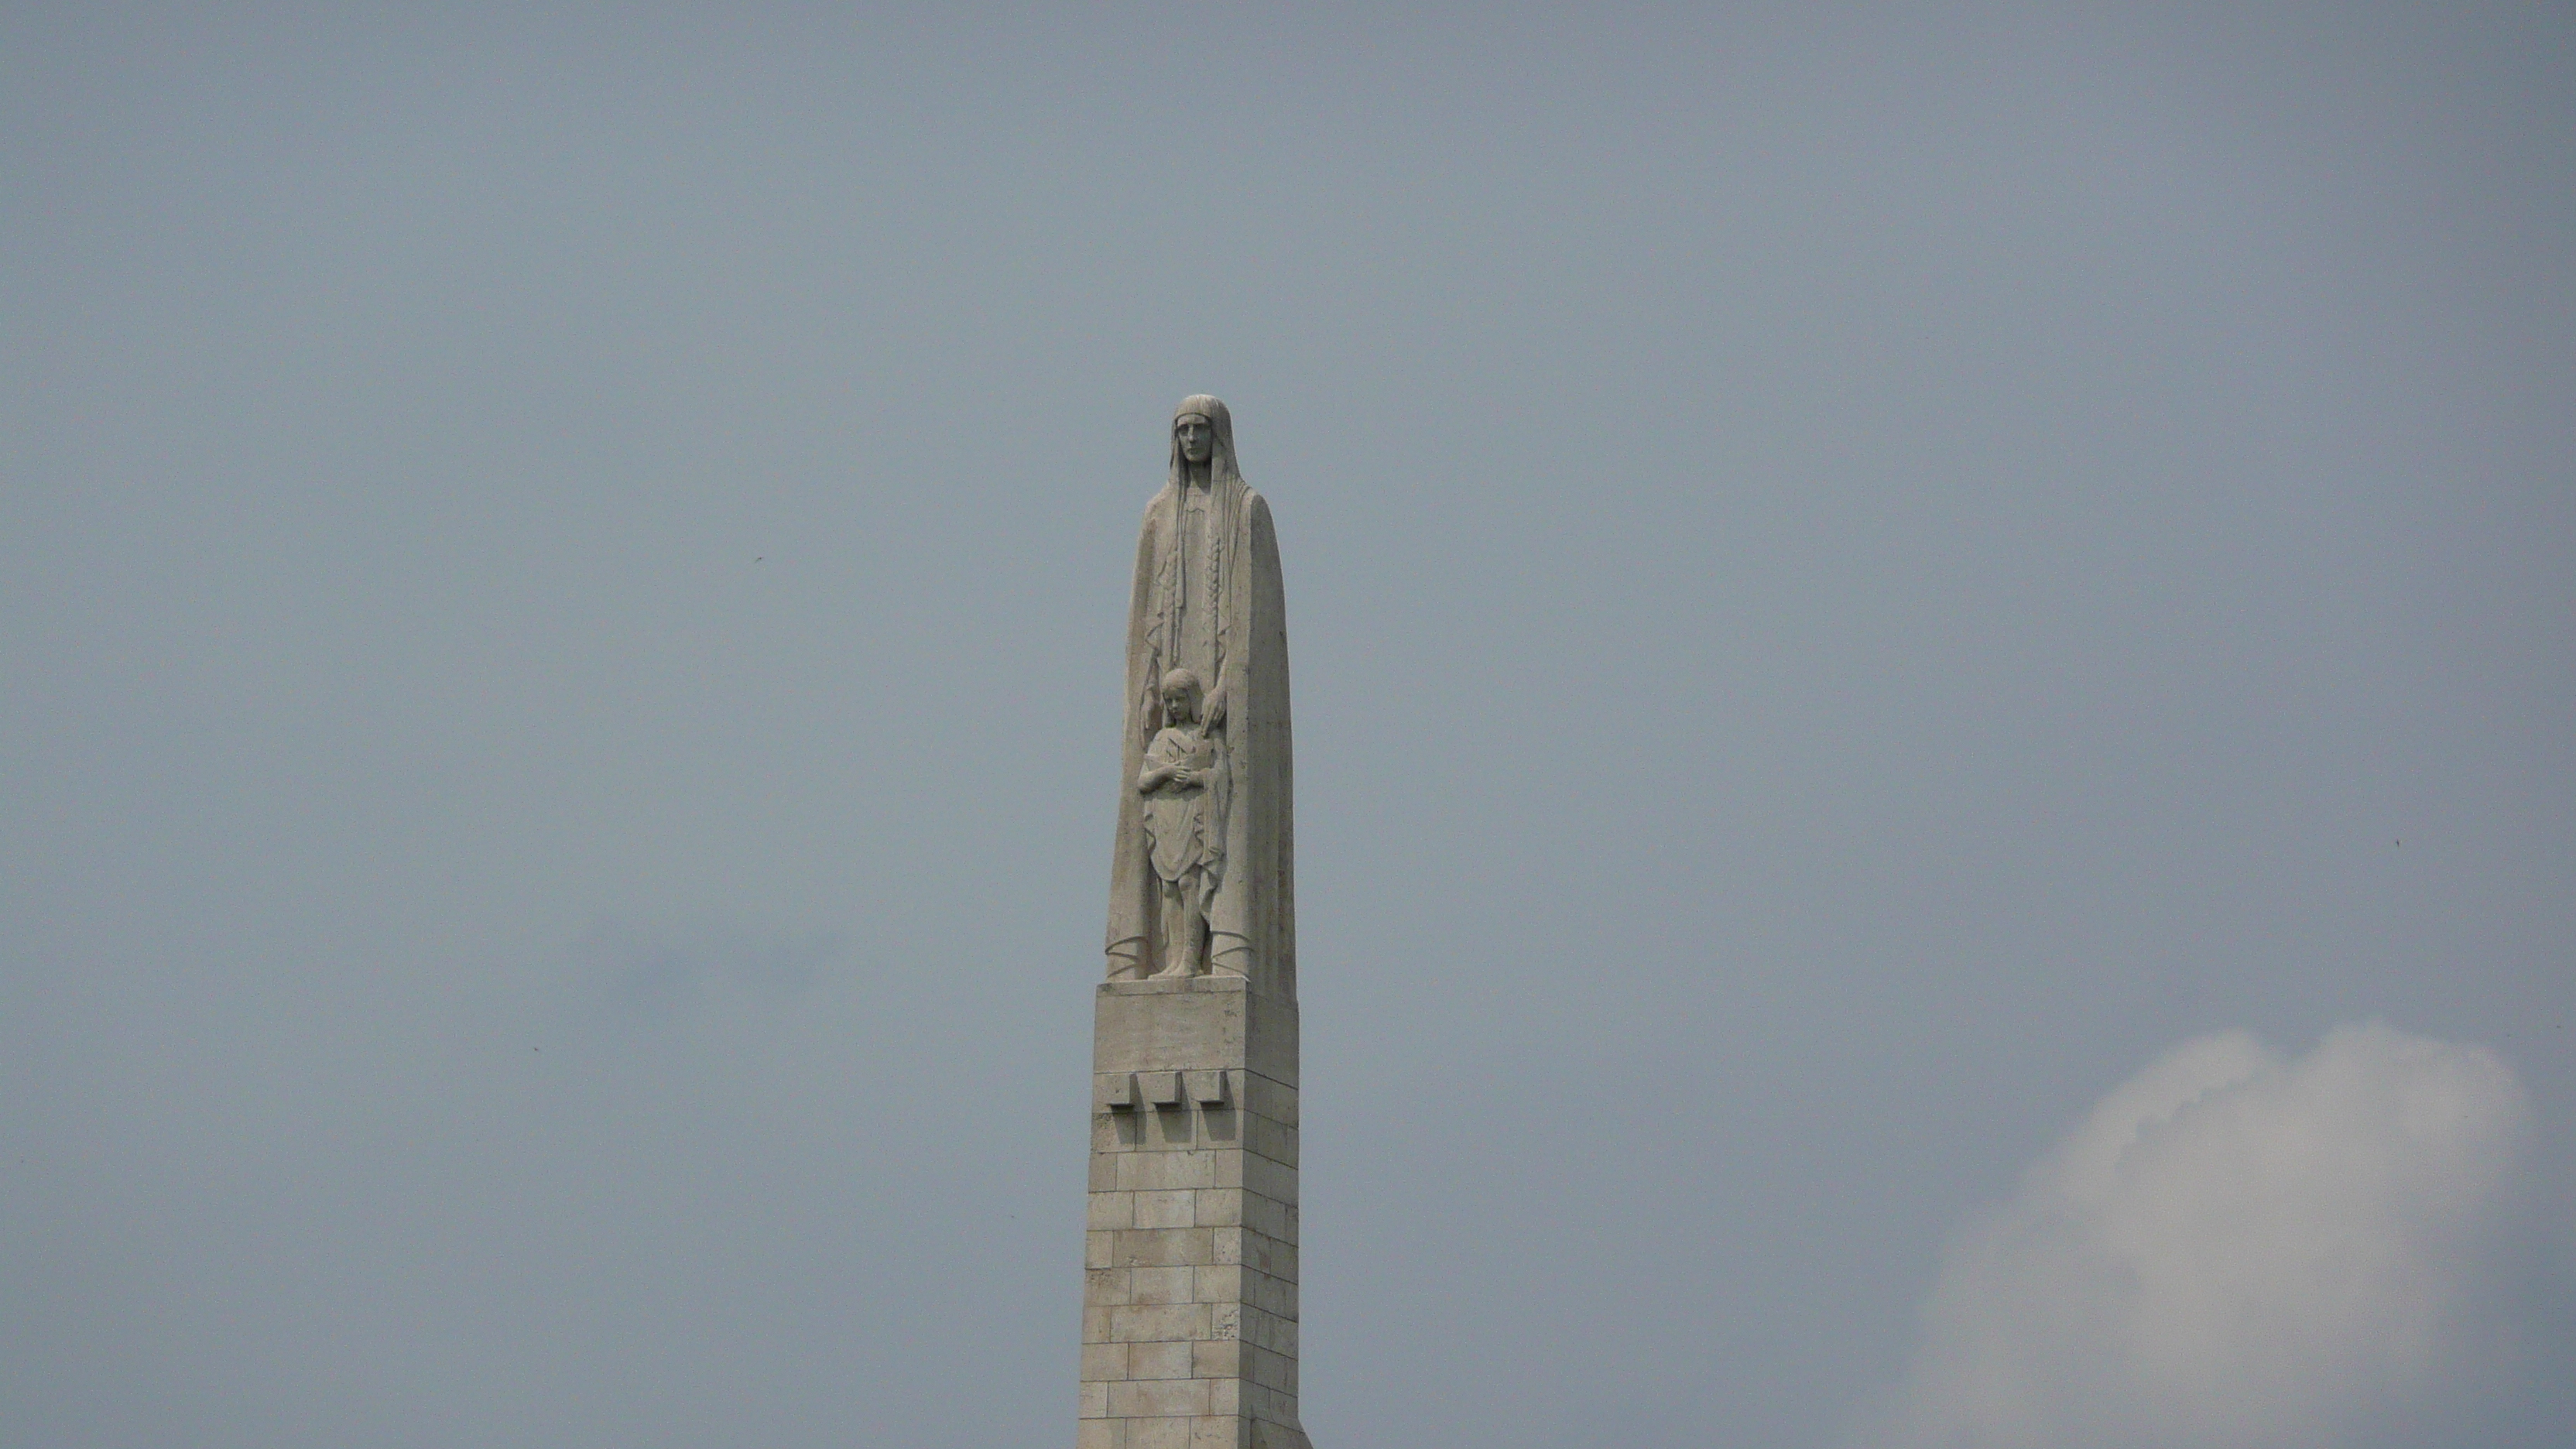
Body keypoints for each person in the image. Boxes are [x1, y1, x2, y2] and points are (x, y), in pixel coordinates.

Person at [1136, 668, 1228, 978]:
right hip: (1165, 817)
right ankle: (1173, 959)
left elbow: (1221, 775)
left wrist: (1195, 777)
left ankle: (1191, 959)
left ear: (1192, 700)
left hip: (1193, 814)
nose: (1174, 707)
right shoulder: (1162, 738)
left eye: (1179, 699)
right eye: (1169, 701)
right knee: (1169, 889)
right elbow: (1143, 780)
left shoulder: (1205, 735)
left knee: (1190, 883)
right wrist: (1165, 773)